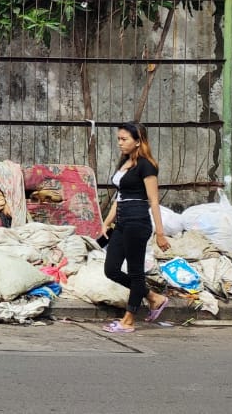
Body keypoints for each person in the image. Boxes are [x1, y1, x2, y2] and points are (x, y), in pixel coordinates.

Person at [101, 121, 171, 333]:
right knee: (111, 269)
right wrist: (107, 221)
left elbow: (154, 200)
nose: (120, 143)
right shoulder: (124, 162)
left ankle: (129, 320)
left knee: (135, 273)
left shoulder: (146, 165)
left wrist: (160, 233)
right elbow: (119, 196)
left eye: (124, 139)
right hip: (122, 222)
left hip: (138, 223)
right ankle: (152, 297)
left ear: (138, 141)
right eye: (118, 139)